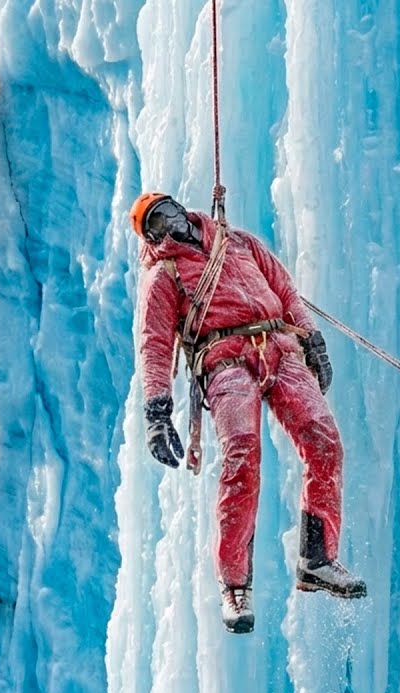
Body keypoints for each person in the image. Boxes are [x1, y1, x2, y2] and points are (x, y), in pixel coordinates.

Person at [130, 191, 367, 634]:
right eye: (156, 223)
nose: (169, 223)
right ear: (152, 238)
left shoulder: (235, 242)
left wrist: (312, 340)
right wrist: (157, 412)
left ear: (181, 209)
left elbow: (284, 290)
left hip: (279, 345)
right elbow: (155, 345)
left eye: (169, 211)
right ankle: (235, 584)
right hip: (224, 358)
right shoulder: (162, 277)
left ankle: (317, 558)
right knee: (242, 455)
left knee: (325, 442)